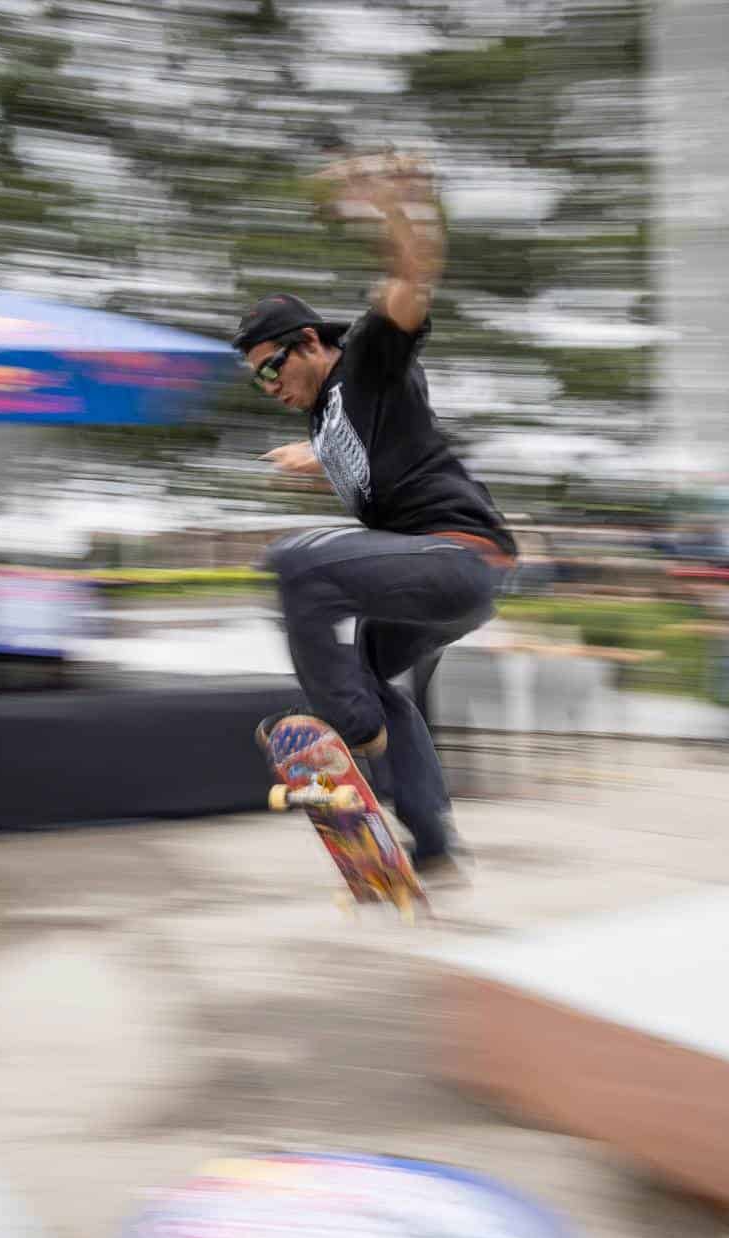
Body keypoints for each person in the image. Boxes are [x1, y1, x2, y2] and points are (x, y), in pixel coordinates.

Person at [234, 151, 516, 885]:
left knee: (296, 565)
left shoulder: (367, 360)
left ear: (311, 344)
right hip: (440, 586)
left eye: (272, 369)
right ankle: (433, 840)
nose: (268, 386)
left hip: (460, 556)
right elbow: (350, 442)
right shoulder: (330, 421)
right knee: (370, 671)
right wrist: (310, 452)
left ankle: (354, 730)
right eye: (256, 380)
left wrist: (397, 208)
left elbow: (414, 278)